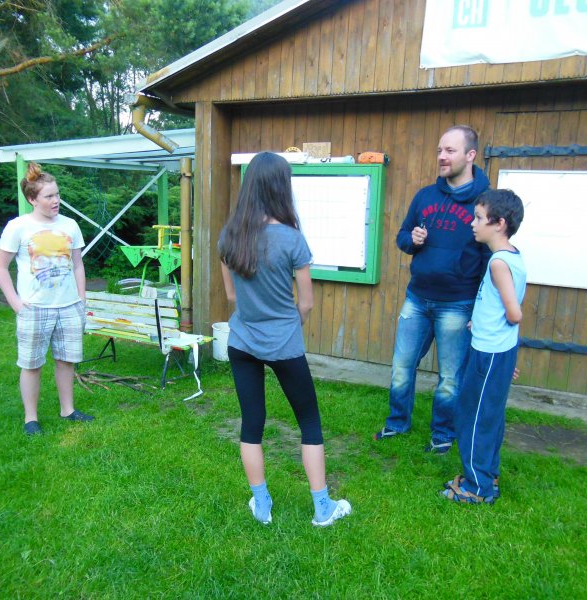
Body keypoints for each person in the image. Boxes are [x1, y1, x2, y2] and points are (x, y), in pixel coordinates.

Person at [218, 152, 351, 527]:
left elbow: (231, 296)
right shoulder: (292, 239)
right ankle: (322, 508)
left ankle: (262, 505)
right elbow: (306, 302)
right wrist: (291, 323)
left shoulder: (229, 236)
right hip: (284, 344)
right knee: (309, 422)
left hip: (241, 341)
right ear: (281, 187)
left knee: (251, 424)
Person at [374, 125, 491, 454]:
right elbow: (401, 236)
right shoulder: (425, 196)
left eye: (450, 150)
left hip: (458, 303)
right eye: (440, 150)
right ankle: (398, 423)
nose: (442, 156)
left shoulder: (486, 202)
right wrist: (411, 240)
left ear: (470, 155)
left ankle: (442, 434)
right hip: (417, 299)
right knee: (401, 367)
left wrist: (480, 310)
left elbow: (490, 259)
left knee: (450, 377)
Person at [0, 162, 93, 435]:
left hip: (69, 306)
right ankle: (31, 418)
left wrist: (81, 299)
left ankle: (68, 410)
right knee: (31, 364)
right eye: (49, 196)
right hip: (34, 308)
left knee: (66, 361)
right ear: (32, 199)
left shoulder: (70, 225)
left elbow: (78, 265)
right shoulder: (18, 227)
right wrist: (15, 303)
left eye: (57, 194)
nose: (56, 200)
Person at [442, 189, 526, 504]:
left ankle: (477, 488)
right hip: (496, 351)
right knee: (489, 415)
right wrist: (479, 322)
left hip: (489, 353)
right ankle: (487, 475)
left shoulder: (498, 263)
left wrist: (492, 331)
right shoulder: (513, 256)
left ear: (499, 223)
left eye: (479, 218)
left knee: (473, 417)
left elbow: (514, 313)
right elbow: (497, 305)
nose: (473, 223)